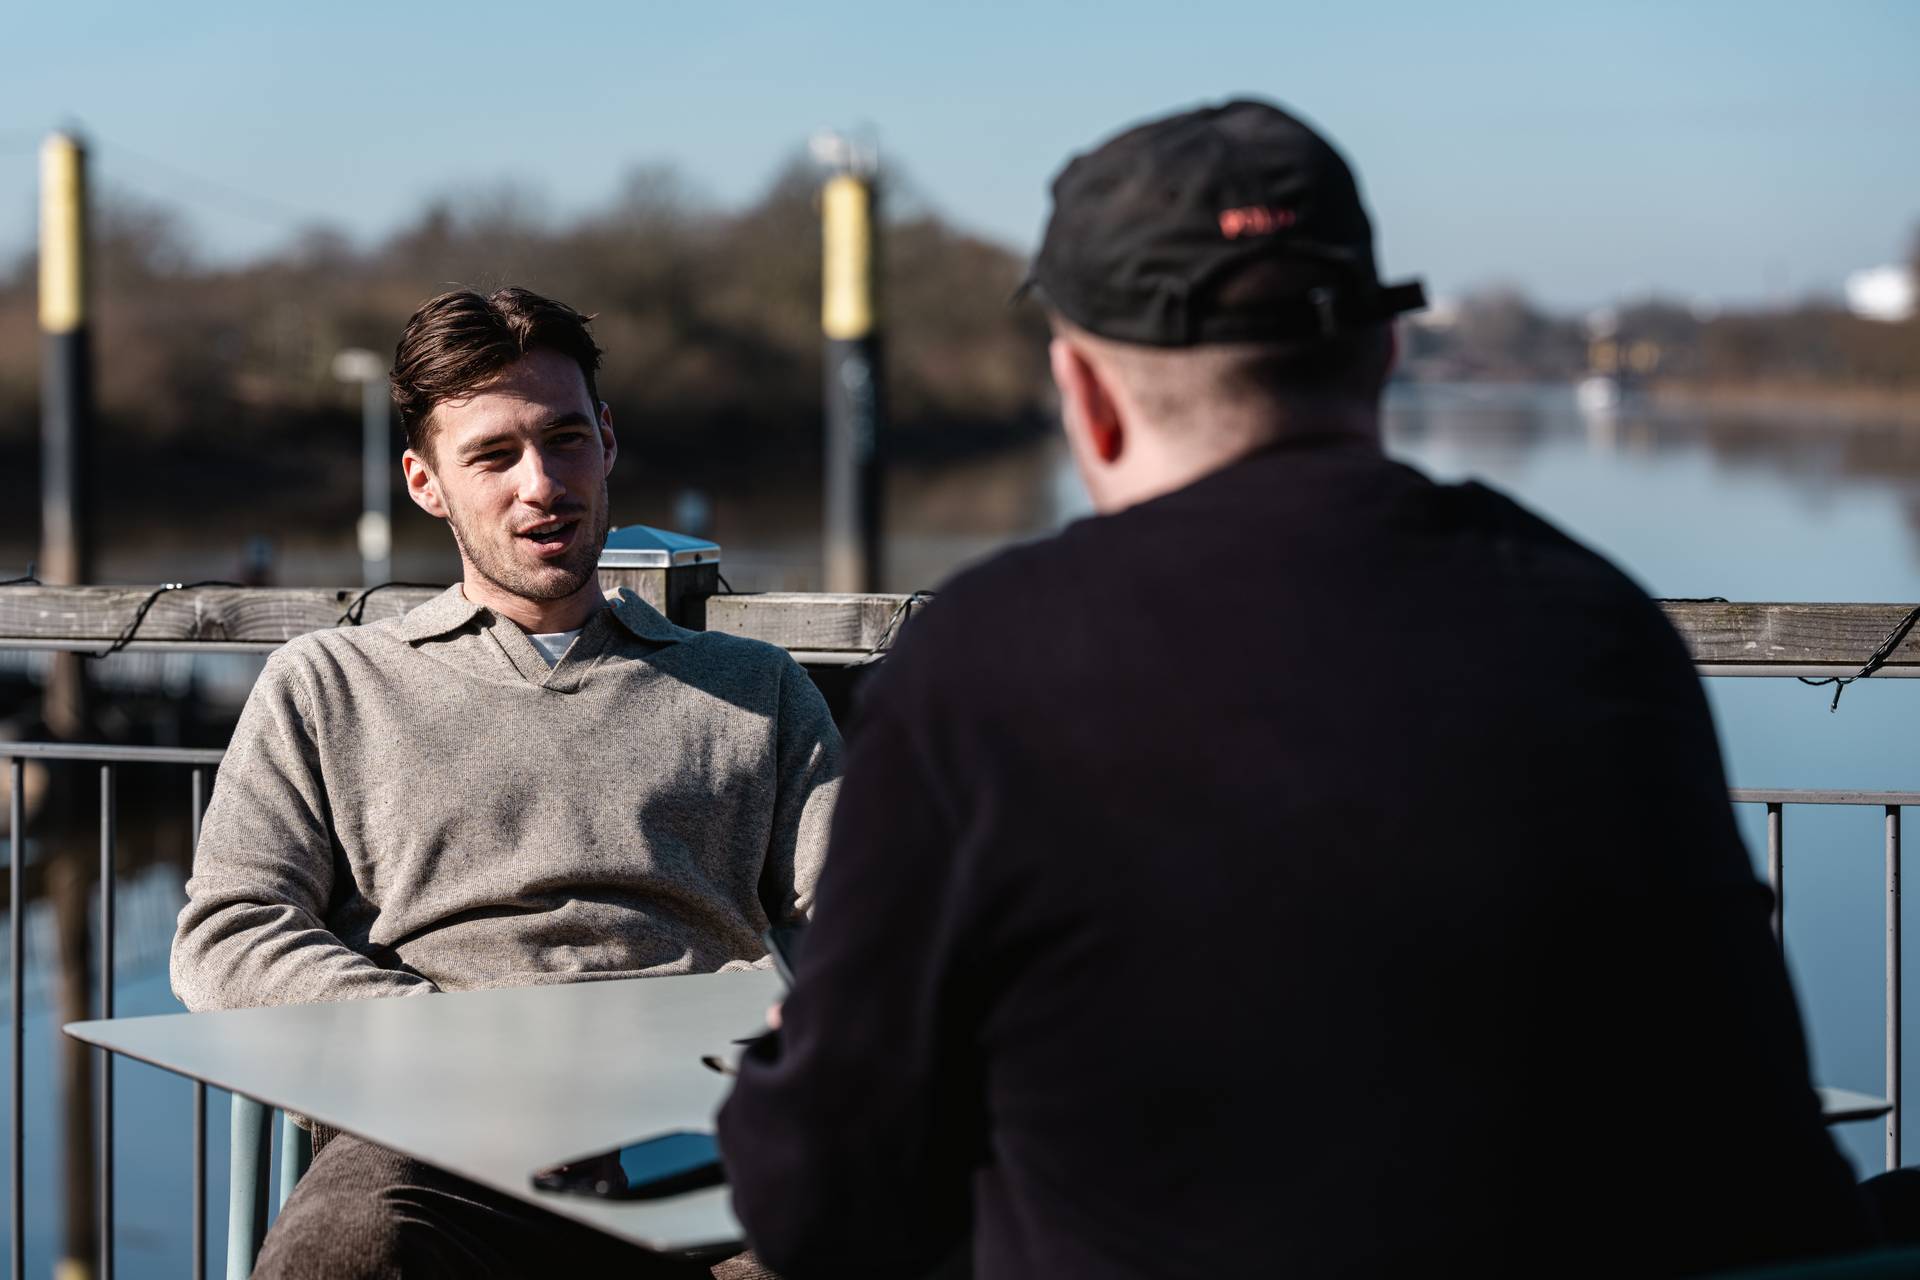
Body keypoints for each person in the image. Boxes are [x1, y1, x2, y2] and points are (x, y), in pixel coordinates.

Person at [716, 100, 1873, 1277]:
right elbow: (1758, 1153)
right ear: (1383, 350)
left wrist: (788, 1070)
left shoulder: (979, 665)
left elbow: (823, 1195)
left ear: (1087, 394)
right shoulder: (1596, 623)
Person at [171, 286, 836, 1278]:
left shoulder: (755, 688)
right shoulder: (331, 683)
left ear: (607, 440)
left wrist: (768, 1017)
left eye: (565, 439)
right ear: (426, 481)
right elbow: (226, 933)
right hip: (437, 1130)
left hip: (699, 1119)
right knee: (343, 1250)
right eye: (493, 455)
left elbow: (863, 926)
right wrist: (443, 1035)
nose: (541, 483)